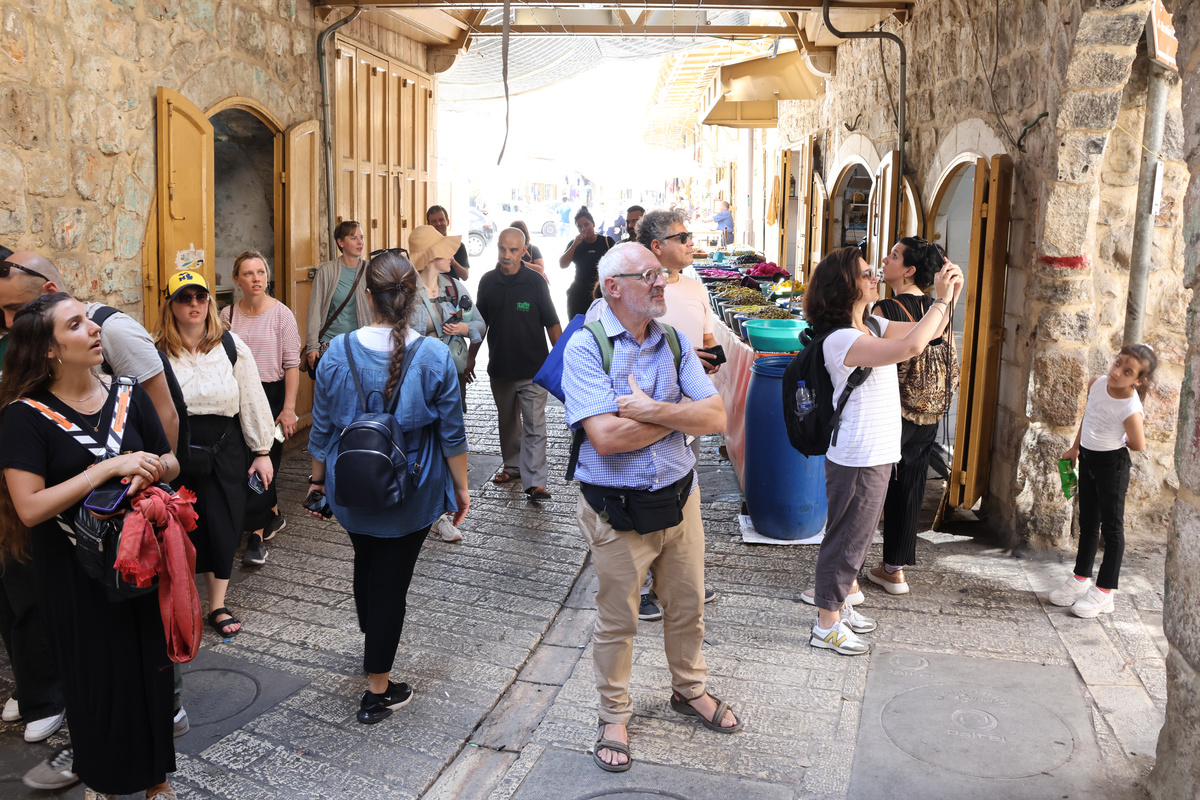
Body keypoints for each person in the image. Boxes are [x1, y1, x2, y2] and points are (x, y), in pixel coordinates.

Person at [0, 251, 185, 785]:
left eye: (88, 319)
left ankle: (157, 782)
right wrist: (105, 469)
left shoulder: (128, 395)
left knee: (150, 671)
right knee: (95, 681)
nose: (94, 328)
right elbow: (29, 506)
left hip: (141, 561)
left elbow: (172, 460)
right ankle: (101, 783)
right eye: (76, 324)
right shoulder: (23, 417)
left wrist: (151, 469)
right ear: (50, 350)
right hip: (72, 574)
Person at [563, 243, 739, 773]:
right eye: (649, 275)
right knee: (619, 620)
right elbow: (606, 438)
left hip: (681, 499)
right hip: (617, 510)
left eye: (661, 273)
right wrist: (679, 413)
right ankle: (613, 715)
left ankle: (689, 690)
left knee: (688, 605)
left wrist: (651, 409)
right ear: (614, 287)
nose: (662, 282)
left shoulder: (675, 341)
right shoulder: (586, 348)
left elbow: (716, 417)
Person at [306, 250, 470, 725]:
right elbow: (452, 434)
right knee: (391, 586)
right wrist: (461, 489)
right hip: (413, 490)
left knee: (368, 559)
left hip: (351, 486)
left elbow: (321, 428)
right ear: (414, 297)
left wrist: (317, 482)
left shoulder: (337, 352)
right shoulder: (434, 356)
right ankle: (377, 690)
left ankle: (372, 638)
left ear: (367, 295)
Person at [803, 246, 962, 656]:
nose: (874, 277)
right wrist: (940, 299)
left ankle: (839, 605)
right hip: (857, 453)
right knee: (845, 539)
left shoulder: (872, 323)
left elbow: (930, 333)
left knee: (857, 538)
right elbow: (909, 348)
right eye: (865, 273)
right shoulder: (842, 339)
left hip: (877, 450)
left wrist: (949, 296)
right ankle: (826, 623)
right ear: (844, 286)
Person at [156, 272, 275, 638]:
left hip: (225, 446)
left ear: (209, 301)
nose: (194, 304)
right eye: (184, 297)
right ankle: (181, 603)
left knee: (223, 524)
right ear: (171, 305)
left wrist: (262, 451)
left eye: (200, 296)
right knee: (177, 526)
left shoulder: (230, 345)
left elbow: (252, 398)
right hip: (177, 449)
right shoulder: (156, 351)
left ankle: (217, 605)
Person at [635, 209, 721, 621]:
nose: (690, 243)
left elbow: (707, 340)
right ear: (657, 246)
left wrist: (707, 361)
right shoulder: (635, 293)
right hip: (646, 415)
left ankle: (676, 580)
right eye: (682, 237)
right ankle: (642, 585)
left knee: (683, 492)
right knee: (647, 493)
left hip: (690, 412)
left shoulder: (695, 288)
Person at [866, 237, 960, 595]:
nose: (884, 260)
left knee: (870, 484)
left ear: (909, 271)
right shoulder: (940, 309)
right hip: (928, 409)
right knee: (910, 484)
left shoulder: (884, 310)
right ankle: (895, 569)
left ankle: (850, 566)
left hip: (892, 408)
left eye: (893, 256)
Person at [1049, 345, 1156, 618]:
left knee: (1111, 528)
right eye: (1118, 363)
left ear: (1138, 381)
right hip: (1088, 459)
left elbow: (1138, 444)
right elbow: (1090, 415)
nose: (1117, 372)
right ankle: (1080, 578)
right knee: (1087, 521)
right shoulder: (1096, 384)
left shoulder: (1130, 408)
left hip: (1112, 467)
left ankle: (1105, 592)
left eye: (1127, 372)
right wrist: (1075, 448)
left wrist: (1120, 438)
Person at [219, 251, 303, 566]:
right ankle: (273, 515)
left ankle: (255, 538)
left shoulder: (282, 315)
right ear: (237, 279)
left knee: (266, 463)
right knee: (243, 462)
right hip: (238, 399)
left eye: (261, 272)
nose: (256, 279)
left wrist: (289, 409)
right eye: (248, 273)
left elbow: (291, 365)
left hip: (274, 399)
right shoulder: (227, 315)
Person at [406, 225, 483, 542]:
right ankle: (421, 507)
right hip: (416, 380)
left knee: (449, 439)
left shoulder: (454, 286)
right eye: (444, 250)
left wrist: (464, 328)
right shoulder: (405, 291)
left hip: (450, 377)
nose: (452, 256)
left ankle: (441, 513)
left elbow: (480, 323)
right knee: (418, 442)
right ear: (430, 256)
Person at [477, 229, 562, 502]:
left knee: (535, 425)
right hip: (500, 368)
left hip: (534, 369)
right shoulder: (487, 281)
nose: (506, 255)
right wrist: (469, 358)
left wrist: (561, 362)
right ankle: (513, 467)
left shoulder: (536, 282)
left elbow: (552, 323)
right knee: (508, 422)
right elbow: (480, 324)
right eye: (502, 249)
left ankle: (536, 482)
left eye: (513, 250)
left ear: (524, 250)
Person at [305, 221, 373, 373]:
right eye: (353, 238)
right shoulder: (326, 271)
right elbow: (314, 311)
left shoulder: (371, 270)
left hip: (361, 345)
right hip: (331, 344)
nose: (360, 242)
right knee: (331, 387)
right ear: (340, 242)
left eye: (361, 237)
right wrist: (312, 346)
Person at [559, 207, 616, 319]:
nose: (583, 229)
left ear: (593, 224)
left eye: (586, 224)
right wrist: (574, 245)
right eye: (579, 226)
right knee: (577, 326)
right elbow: (562, 265)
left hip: (601, 293)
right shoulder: (575, 244)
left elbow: (618, 264)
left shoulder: (606, 242)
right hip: (578, 295)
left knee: (602, 326)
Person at [426, 205, 471, 281]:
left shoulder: (458, 246)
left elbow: (465, 276)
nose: (438, 224)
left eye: (441, 220)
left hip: (452, 287)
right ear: (428, 225)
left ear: (447, 222)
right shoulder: (423, 247)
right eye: (434, 221)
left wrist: (452, 261)